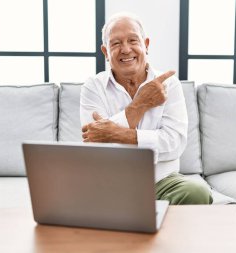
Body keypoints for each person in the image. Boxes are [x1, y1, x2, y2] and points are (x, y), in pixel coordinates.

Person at [80, 12, 212, 205]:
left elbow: (174, 144)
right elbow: (95, 146)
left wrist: (116, 134)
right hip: (110, 182)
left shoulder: (170, 85)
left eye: (133, 40)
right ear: (105, 52)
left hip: (162, 181)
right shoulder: (93, 87)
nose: (125, 49)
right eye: (116, 43)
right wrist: (141, 103)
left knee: (198, 192)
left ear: (146, 45)